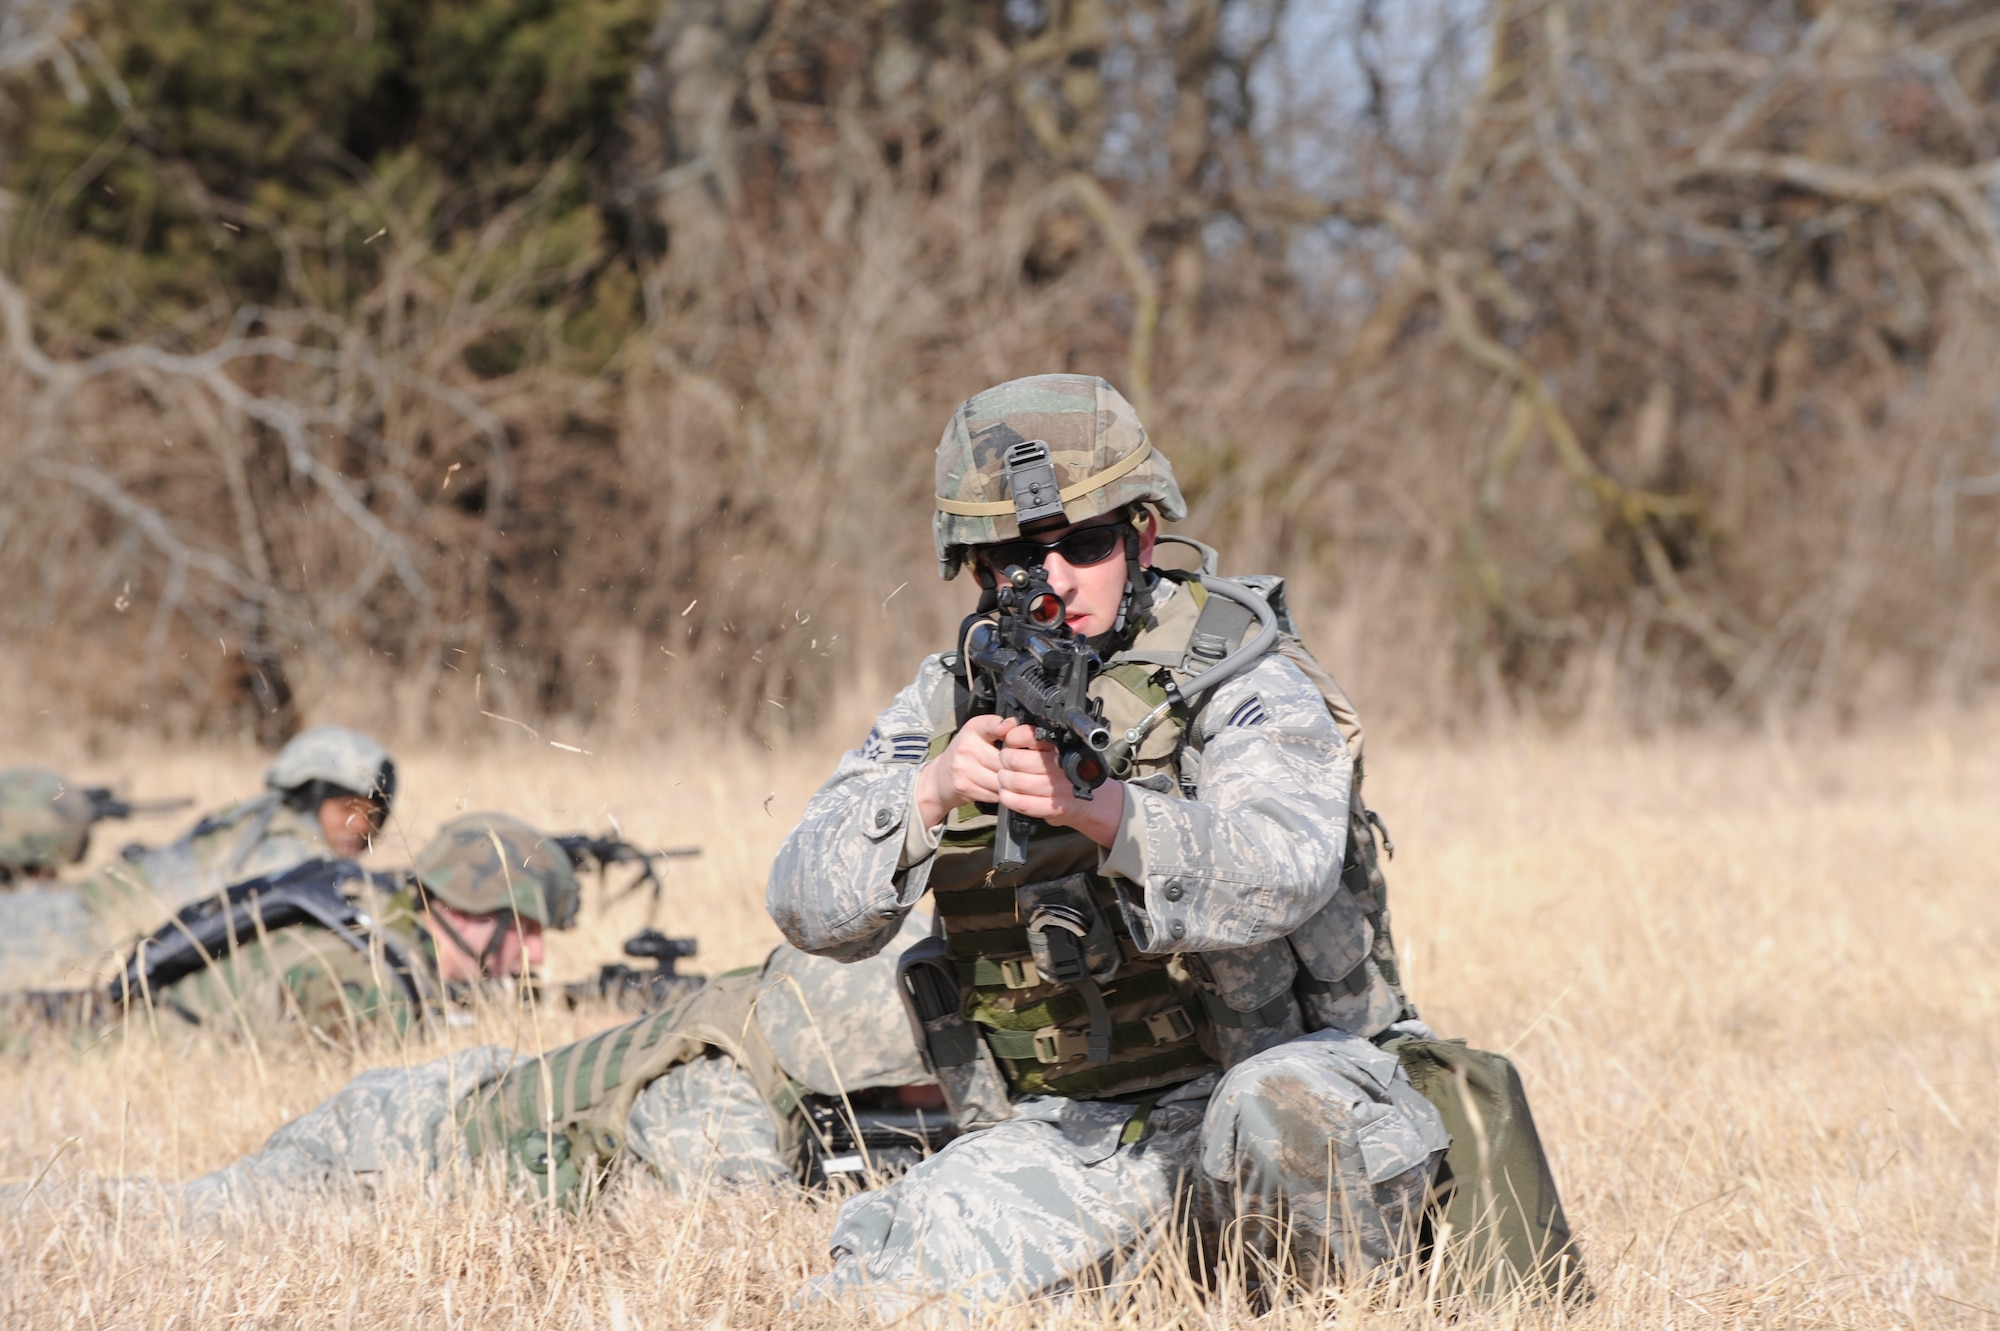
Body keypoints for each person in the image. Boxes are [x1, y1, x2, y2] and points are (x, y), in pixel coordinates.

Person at [765, 373, 1450, 1309]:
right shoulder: (947, 700)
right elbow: (805, 904)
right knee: (870, 1292)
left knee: (1278, 1108)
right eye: (1012, 555)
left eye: (1083, 545)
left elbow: (1283, 868)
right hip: (1083, 1131)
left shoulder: (1237, 673)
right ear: (974, 570)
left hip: (1276, 1085)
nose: (1050, 578)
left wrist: (1106, 813)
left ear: (1140, 535)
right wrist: (933, 792)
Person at [174, 911, 943, 1216]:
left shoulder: (775, 1029)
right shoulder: (717, 1097)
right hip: (382, 1154)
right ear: (856, 1050)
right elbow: (748, 1243)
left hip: (458, 1099)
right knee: (166, 1214)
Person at [137, 811, 580, 1040]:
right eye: (526, 932)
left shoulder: (388, 924)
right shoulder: (369, 983)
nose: (535, 955)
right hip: (123, 1033)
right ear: (470, 909)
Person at [91, 725, 397, 922]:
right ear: (309, 800)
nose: (360, 825)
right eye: (347, 808)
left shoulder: (260, 824)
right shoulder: (287, 854)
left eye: (372, 815)